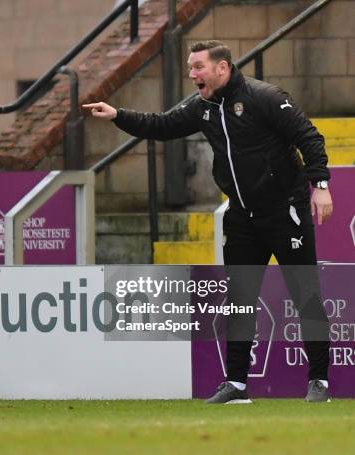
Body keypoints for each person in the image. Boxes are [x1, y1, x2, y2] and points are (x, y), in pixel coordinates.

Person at [84, 40, 333, 403]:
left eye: (198, 66)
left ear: (222, 68)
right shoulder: (203, 107)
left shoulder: (265, 97)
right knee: (239, 302)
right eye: (190, 66)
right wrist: (117, 114)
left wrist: (320, 185)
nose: (192, 73)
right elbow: (162, 125)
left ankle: (319, 382)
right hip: (242, 218)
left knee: (305, 296)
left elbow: (309, 137)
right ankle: (236, 385)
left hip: (285, 211)